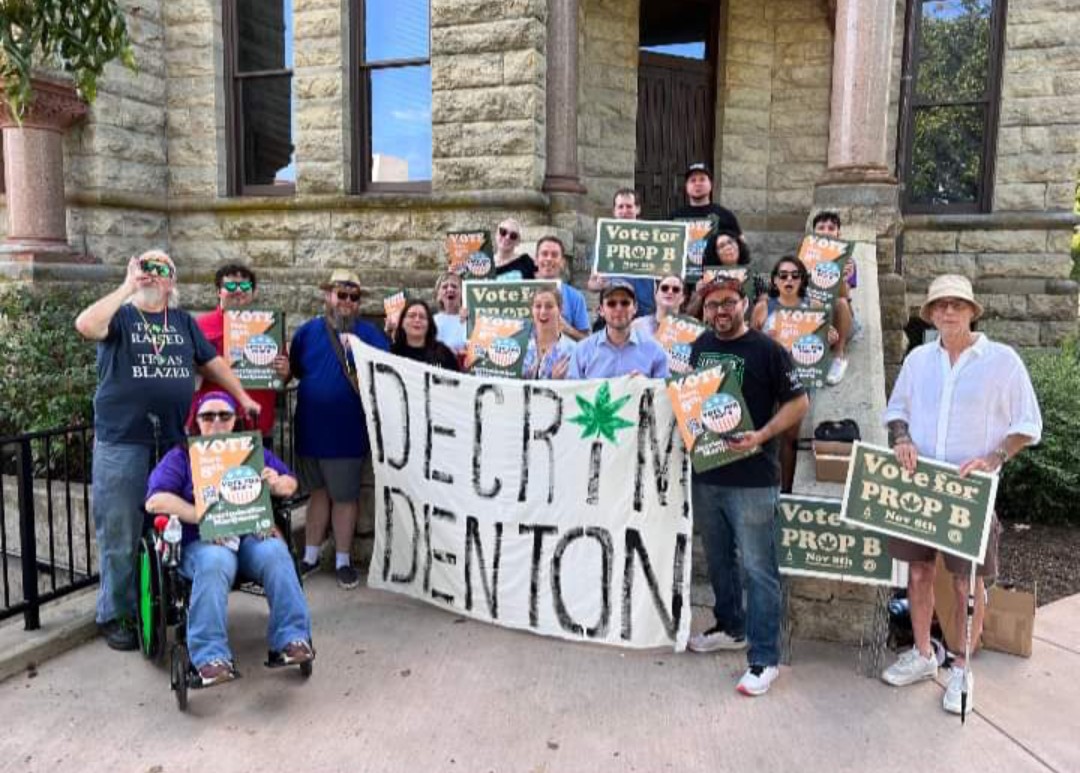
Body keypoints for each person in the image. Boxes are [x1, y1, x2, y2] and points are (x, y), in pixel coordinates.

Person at [74, 250, 261, 651]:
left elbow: (213, 364)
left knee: (169, 529)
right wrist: (128, 285)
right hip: (123, 441)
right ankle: (117, 613)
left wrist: (242, 397)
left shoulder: (181, 322)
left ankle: (156, 605)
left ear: (173, 282)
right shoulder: (122, 317)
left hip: (171, 442)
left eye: (163, 269)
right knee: (121, 528)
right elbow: (85, 325)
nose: (154, 275)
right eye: (148, 267)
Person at [880, 274, 1041, 715]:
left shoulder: (1002, 361)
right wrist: (901, 439)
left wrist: (994, 458)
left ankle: (960, 668)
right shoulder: (918, 360)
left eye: (957, 304)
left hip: (969, 492)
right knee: (917, 573)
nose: (948, 312)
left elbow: (1027, 425)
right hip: (920, 486)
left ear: (972, 311)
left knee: (967, 582)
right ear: (930, 314)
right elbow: (896, 412)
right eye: (940, 306)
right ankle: (922, 654)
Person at [687, 278, 809, 697]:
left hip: (754, 478)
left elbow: (799, 403)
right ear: (704, 310)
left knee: (759, 569)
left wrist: (761, 435)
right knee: (718, 559)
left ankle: (764, 658)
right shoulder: (700, 346)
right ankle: (731, 627)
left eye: (728, 303)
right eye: (712, 304)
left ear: (744, 304)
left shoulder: (768, 350)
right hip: (708, 474)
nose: (720, 310)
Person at [144, 392, 313, 687]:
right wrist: (200, 515)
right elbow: (154, 500)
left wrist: (274, 483)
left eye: (225, 415)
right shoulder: (182, 456)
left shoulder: (248, 451)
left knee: (275, 551)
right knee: (215, 559)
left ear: (235, 420)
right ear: (195, 422)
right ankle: (211, 657)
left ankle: (292, 639)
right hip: (201, 542)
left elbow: (291, 484)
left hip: (248, 537)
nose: (217, 422)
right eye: (208, 417)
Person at [286, 269, 389, 589]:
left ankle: (343, 560)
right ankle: (311, 556)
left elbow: (385, 373)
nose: (346, 302)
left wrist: (357, 350)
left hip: (348, 431)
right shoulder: (306, 332)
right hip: (311, 429)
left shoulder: (370, 334)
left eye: (353, 297)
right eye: (341, 295)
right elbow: (296, 371)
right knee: (317, 494)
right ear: (327, 296)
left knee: (345, 497)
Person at [749, 257, 839, 492]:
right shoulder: (763, 307)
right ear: (774, 280)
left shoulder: (814, 306)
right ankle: (764, 488)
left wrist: (830, 339)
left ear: (802, 280)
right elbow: (748, 343)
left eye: (794, 275)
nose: (789, 279)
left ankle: (785, 492)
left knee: (789, 438)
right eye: (783, 275)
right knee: (764, 437)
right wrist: (764, 341)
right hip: (766, 379)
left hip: (798, 379)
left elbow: (822, 344)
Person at [194, 264, 289, 449]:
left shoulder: (269, 325)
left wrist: (284, 371)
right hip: (213, 425)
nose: (238, 291)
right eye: (230, 286)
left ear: (253, 293)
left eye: (244, 287)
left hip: (257, 423)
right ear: (218, 292)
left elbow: (281, 377)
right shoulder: (200, 326)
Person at [569, 280, 669, 379]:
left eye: (625, 303)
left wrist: (646, 385)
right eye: (611, 303)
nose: (619, 308)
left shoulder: (655, 350)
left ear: (635, 308)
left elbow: (664, 392)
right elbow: (572, 391)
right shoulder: (582, 351)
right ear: (601, 310)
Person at [587, 189, 656, 320]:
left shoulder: (653, 238)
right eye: (620, 207)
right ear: (614, 211)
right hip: (614, 311)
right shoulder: (604, 241)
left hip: (645, 313)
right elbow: (591, 283)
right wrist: (600, 285)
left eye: (629, 206)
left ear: (638, 209)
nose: (625, 211)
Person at [810, 210, 855, 385]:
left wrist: (842, 278)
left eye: (831, 227)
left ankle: (838, 356)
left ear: (838, 233)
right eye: (821, 227)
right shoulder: (804, 258)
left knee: (841, 302)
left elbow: (845, 296)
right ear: (813, 233)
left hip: (838, 316)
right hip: (812, 313)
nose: (826, 231)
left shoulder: (848, 260)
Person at [534, 235, 590, 341]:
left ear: (562, 262)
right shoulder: (520, 292)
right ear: (536, 260)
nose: (549, 259)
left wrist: (567, 329)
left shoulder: (576, 297)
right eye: (544, 254)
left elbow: (586, 341)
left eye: (554, 255)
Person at [668, 162, 742, 236]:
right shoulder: (675, 217)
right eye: (693, 180)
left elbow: (740, 243)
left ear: (711, 184)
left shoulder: (725, 216)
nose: (697, 184)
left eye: (702, 179)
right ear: (686, 186)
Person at [390, 299, 460, 371]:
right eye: (412, 316)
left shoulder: (443, 353)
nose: (417, 320)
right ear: (402, 322)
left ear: (429, 324)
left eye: (422, 317)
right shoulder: (392, 352)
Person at [522, 287, 576, 379]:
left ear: (560, 310)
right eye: (538, 306)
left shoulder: (572, 350)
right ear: (532, 310)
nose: (543, 312)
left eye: (549, 306)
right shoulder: (521, 346)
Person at [631, 273, 685, 340]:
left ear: (682, 298)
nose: (670, 292)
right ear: (656, 295)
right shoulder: (638, 326)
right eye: (664, 288)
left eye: (676, 289)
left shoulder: (691, 330)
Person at [432, 272, 467, 355]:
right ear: (438, 295)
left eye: (454, 286)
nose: (450, 289)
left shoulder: (470, 320)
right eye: (445, 287)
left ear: (462, 293)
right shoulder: (431, 321)